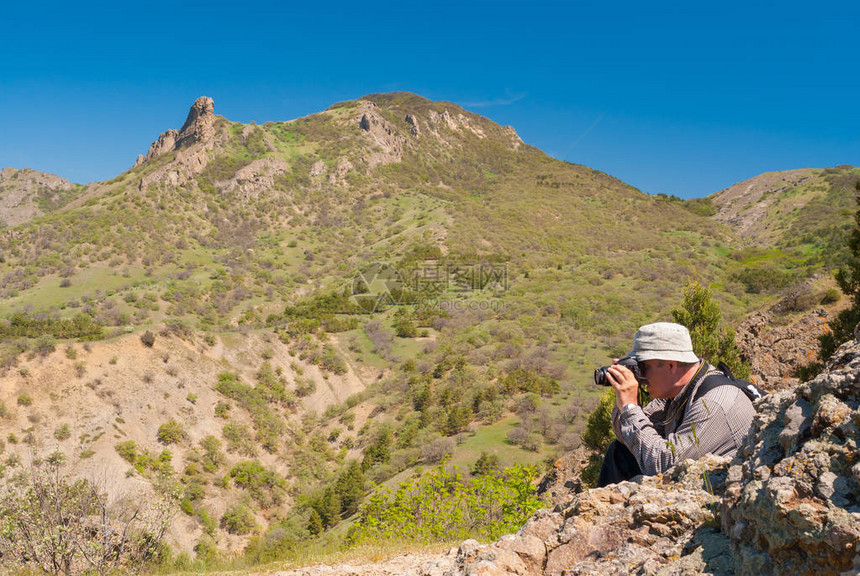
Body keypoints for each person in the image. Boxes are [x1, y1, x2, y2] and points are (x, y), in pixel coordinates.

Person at [597, 322, 755, 487]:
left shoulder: (713, 404)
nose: (640, 376)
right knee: (620, 452)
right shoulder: (678, 391)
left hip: (722, 496)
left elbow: (663, 465)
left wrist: (630, 407)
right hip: (696, 482)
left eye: (643, 367)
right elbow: (626, 437)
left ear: (670, 365)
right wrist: (623, 395)